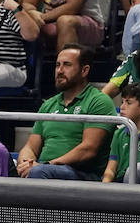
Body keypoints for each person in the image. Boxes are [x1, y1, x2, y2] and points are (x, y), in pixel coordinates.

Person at [18, 45, 117, 180]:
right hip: (44, 170)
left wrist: (48, 165)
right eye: (57, 65)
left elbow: (88, 149)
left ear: (84, 70)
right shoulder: (48, 105)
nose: (59, 70)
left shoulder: (98, 101)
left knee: (39, 172)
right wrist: (25, 164)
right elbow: (30, 146)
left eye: (67, 65)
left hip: (82, 174)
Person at [102, 82, 140, 183]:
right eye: (122, 102)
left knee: (137, 170)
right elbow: (111, 169)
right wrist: (104, 186)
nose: (122, 107)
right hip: (119, 183)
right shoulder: (118, 134)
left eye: (128, 103)